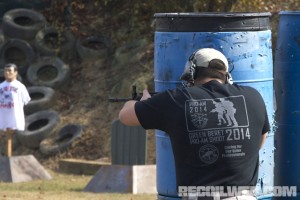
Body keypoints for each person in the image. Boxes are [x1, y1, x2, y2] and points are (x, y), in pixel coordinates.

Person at [118, 48, 270, 200]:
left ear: (192, 73)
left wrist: (142, 101)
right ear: (227, 75)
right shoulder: (253, 96)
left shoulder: (176, 100)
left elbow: (125, 116)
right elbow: (260, 138)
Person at [0, 63, 31, 155]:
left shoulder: (20, 86)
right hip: (3, 116)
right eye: (5, 71)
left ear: (15, 72)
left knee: (9, 137)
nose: (7, 73)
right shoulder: (0, 86)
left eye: (10, 70)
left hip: (14, 117)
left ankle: (9, 160)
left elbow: (26, 100)